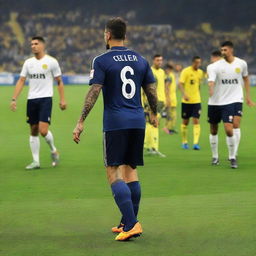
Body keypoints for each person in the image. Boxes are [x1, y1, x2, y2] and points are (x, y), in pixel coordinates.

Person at [72, 17, 158, 241]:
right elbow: (151, 90)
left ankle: (132, 223)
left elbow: (94, 91)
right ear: (125, 35)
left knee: (113, 171)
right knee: (131, 171)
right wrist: (154, 113)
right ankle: (126, 221)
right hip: (137, 121)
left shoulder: (101, 60)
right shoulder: (140, 59)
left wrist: (81, 120)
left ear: (108, 35)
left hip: (116, 123)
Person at [10, 36, 67, 169]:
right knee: (33, 130)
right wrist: (14, 99)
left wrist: (62, 99)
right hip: (32, 99)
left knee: (43, 130)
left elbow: (59, 81)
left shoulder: (51, 62)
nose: (33, 46)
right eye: (31, 44)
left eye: (36, 44)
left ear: (42, 46)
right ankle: (36, 161)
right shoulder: (28, 63)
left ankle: (53, 150)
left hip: (46, 99)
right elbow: (21, 80)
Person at [207, 41, 255, 168]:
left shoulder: (241, 63)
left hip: (233, 100)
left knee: (230, 128)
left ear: (231, 50)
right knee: (213, 129)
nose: (223, 52)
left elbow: (245, 78)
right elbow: (211, 80)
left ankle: (233, 156)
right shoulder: (214, 66)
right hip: (215, 102)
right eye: (221, 50)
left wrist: (248, 96)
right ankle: (215, 156)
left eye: (225, 50)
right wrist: (211, 88)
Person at [179, 56, 204, 150]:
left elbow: (199, 85)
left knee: (196, 120)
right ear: (193, 62)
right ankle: (184, 142)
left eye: (199, 63)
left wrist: (199, 94)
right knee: (185, 122)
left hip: (196, 101)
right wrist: (184, 94)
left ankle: (196, 143)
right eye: (197, 62)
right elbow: (180, 83)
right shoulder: (186, 71)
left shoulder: (200, 72)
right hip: (186, 101)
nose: (198, 64)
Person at [143, 54, 166, 157]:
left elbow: (162, 87)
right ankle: (154, 148)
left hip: (161, 101)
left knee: (151, 123)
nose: (160, 62)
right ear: (153, 61)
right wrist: (145, 101)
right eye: (157, 60)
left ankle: (148, 146)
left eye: (161, 60)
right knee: (153, 123)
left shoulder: (162, 72)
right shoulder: (150, 71)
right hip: (152, 101)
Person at [163, 64, 178, 134]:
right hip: (170, 98)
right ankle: (167, 128)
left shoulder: (170, 76)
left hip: (173, 98)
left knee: (173, 115)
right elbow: (166, 87)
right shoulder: (169, 77)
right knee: (170, 115)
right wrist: (168, 99)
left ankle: (171, 128)